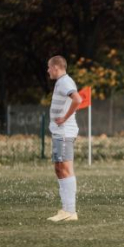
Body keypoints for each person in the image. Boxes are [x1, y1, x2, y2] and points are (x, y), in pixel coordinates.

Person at [46, 56, 82, 222]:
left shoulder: (65, 81)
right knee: (59, 168)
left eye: (49, 68)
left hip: (65, 132)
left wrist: (65, 118)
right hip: (59, 133)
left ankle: (70, 211)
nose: (48, 71)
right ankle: (65, 209)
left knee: (65, 168)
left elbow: (78, 99)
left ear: (56, 67)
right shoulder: (61, 82)